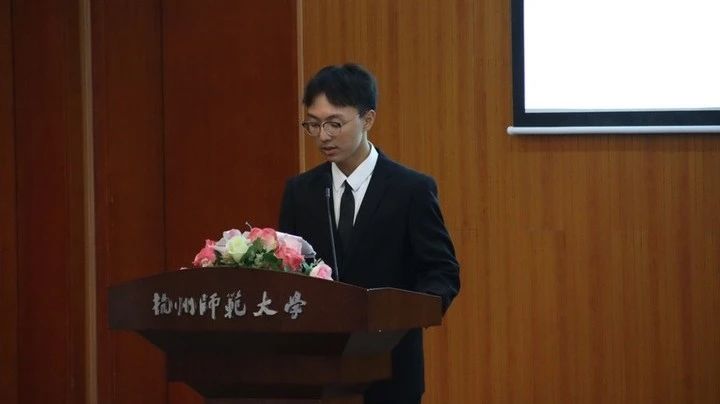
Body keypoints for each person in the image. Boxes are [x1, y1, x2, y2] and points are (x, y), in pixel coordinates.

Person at [278, 63, 460, 404]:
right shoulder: (301, 192)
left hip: (392, 368)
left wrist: (407, 313)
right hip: (318, 372)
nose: (323, 136)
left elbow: (442, 271)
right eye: (313, 125)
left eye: (334, 124)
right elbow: (287, 271)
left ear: (368, 119)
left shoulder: (411, 190)